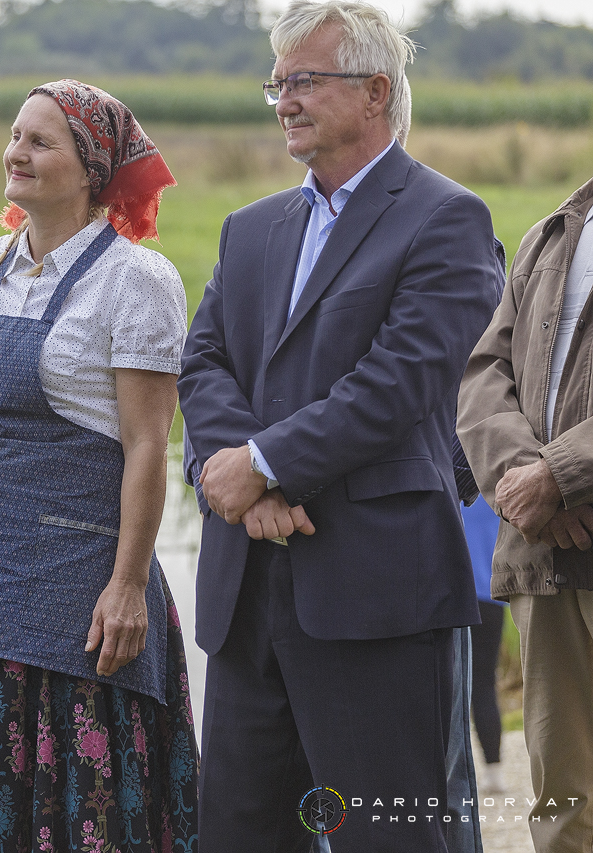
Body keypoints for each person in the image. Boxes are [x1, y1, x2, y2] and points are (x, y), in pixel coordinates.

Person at [176, 0, 502, 849]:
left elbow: (402, 383)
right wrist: (239, 475)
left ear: (374, 92)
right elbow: (203, 360)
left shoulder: (445, 218)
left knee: (388, 837)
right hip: (248, 593)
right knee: (243, 834)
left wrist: (268, 461)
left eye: (305, 81)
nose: (284, 99)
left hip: (376, 592)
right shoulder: (249, 230)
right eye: (276, 84)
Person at [0, 80, 198, 852]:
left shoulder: (135, 280)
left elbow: (147, 445)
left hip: (83, 587)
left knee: (82, 809)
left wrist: (128, 583)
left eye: (41, 141)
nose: (16, 152)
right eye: (14, 135)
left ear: (92, 168)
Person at [457, 174, 593, 852]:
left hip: (564, 513)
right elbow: (483, 374)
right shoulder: (550, 233)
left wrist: (562, 474)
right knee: (563, 801)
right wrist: (521, 476)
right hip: (544, 555)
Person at [460, 497, 508, 795]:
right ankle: (494, 770)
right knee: (484, 684)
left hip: (453, 594)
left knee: (449, 688)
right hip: (490, 594)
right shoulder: (494, 491)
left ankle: (455, 772)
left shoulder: (449, 481)